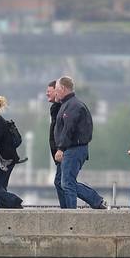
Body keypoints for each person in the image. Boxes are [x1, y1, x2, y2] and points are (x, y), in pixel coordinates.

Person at [52, 75, 108, 210]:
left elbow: (68, 129)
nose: (55, 92)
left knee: (67, 183)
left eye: (57, 89)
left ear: (64, 88)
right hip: (71, 149)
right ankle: (95, 202)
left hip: (74, 149)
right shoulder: (67, 104)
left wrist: (60, 148)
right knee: (65, 182)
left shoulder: (74, 106)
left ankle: (75, 213)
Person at [46, 80, 65, 205]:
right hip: (59, 153)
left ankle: (96, 200)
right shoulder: (55, 108)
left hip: (63, 152)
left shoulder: (62, 107)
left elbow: (65, 130)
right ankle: (67, 209)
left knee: (63, 182)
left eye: (49, 91)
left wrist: (61, 149)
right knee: (63, 182)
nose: (46, 94)